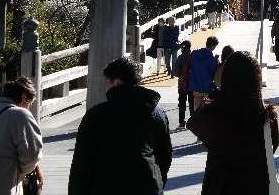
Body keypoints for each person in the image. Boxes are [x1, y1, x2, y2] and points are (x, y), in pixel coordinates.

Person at [69, 57, 172, 195]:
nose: (106, 86)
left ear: (116, 81)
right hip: (147, 185)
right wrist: (158, 180)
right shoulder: (157, 113)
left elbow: (82, 163)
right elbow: (164, 155)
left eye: (107, 81)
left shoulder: (96, 115)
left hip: (106, 186)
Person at [187, 51, 279, 194]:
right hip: (257, 186)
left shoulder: (214, 115)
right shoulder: (270, 117)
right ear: (256, 80)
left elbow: (193, 123)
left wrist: (216, 95)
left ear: (226, 79)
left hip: (220, 187)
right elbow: (277, 140)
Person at [188, 36, 219, 111]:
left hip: (195, 87)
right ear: (213, 46)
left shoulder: (194, 54)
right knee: (206, 112)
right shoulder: (213, 60)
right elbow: (215, 74)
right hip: (207, 88)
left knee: (197, 110)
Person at [175, 40, 194, 128]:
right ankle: (193, 121)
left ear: (183, 47)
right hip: (192, 83)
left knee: (182, 103)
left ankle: (182, 122)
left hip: (182, 83)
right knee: (191, 103)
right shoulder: (194, 57)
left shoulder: (180, 58)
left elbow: (176, 73)